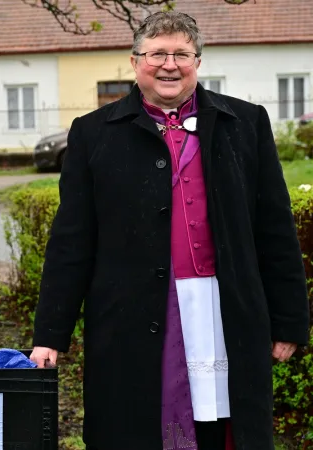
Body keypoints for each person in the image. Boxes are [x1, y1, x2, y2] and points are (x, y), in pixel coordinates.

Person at [29, 11, 310, 450]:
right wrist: (50, 334)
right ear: (134, 61)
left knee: (227, 427)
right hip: (131, 314)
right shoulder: (93, 133)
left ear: (197, 61)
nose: (169, 65)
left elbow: (275, 230)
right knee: (138, 426)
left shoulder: (247, 124)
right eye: (157, 53)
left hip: (225, 308)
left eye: (181, 53)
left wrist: (289, 320)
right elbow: (71, 242)